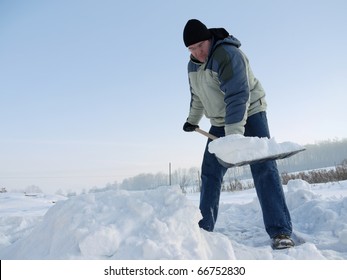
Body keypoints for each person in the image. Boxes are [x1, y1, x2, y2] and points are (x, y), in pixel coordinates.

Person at [182, 19, 294, 249]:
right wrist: (192, 121)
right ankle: (204, 230)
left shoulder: (227, 54)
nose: (197, 53)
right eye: (191, 49)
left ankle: (280, 231)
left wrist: (234, 137)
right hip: (221, 120)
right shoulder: (192, 65)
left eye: (200, 46)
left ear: (209, 39)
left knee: (263, 167)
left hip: (250, 112)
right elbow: (197, 97)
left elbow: (238, 96)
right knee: (210, 172)